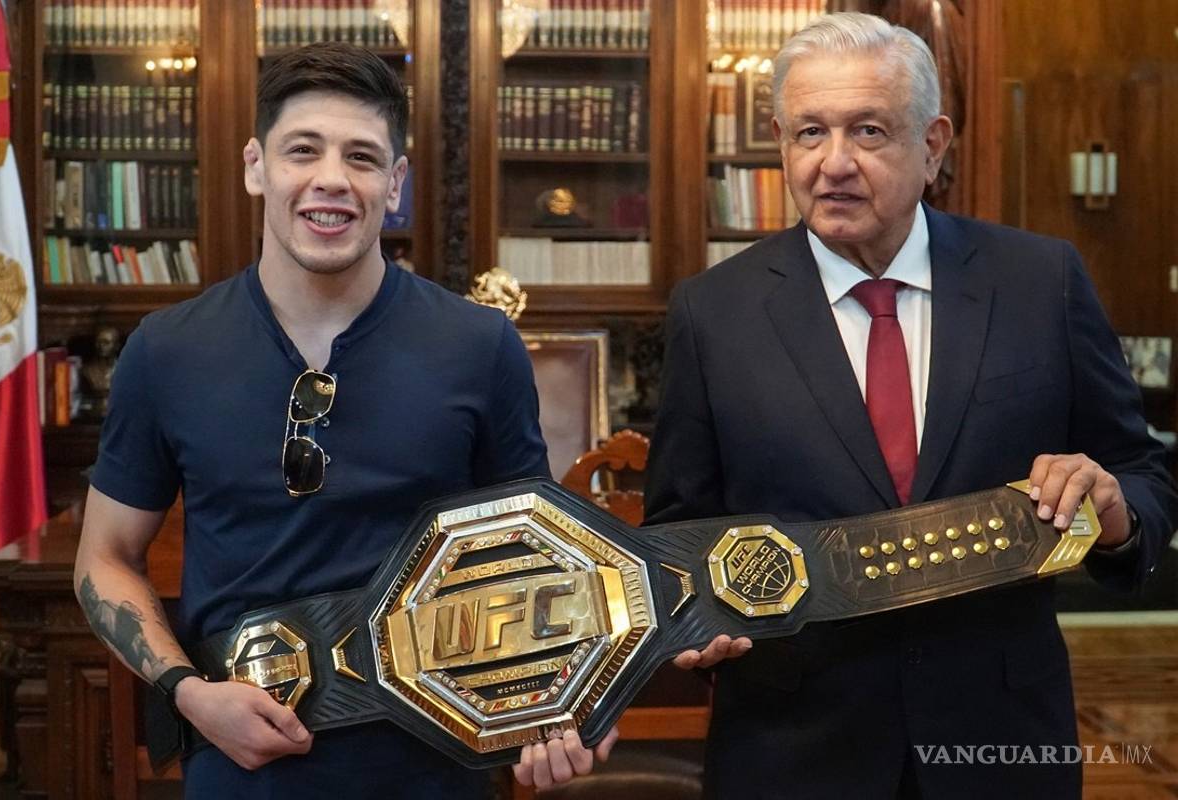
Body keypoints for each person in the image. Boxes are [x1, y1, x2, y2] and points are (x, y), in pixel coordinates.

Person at [645, 13, 1178, 799]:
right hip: (795, 752)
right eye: (808, 133)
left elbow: (1143, 474)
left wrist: (1115, 507)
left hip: (999, 744)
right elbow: (676, 530)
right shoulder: (712, 312)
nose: (833, 163)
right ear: (779, 142)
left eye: (868, 131)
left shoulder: (1040, 283)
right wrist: (694, 620)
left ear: (933, 144)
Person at [74, 42, 610, 798]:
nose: (331, 179)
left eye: (362, 157)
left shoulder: (479, 346)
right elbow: (105, 558)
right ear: (256, 166)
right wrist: (188, 694)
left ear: (394, 186)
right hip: (241, 767)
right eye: (303, 150)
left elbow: (534, 563)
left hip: (434, 767)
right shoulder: (166, 350)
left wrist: (568, 702)